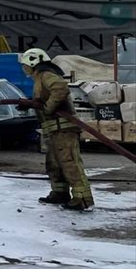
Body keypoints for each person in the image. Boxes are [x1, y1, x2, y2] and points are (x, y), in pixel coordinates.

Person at [19, 48, 93, 211]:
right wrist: (29, 104)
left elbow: (60, 89)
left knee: (69, 163)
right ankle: (60, 193)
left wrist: (48, 108)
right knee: (54, 164)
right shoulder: (39, 78)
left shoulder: (46, 75)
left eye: (25, 65)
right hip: (54, 130)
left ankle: (82, 199)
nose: (23, 68)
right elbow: (44, 98)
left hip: (63, 129)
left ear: (33, 63)